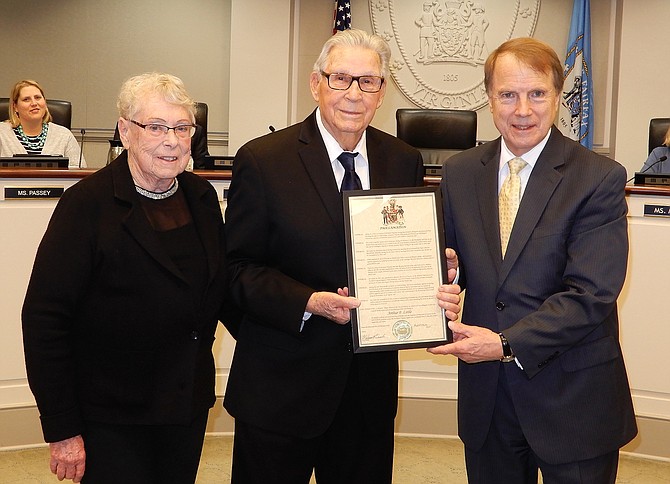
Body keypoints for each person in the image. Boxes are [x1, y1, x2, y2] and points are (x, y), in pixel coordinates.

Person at [224, 29, 457, 484]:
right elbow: (235, 271)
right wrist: (307, 301)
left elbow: (406, 249)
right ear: (316, 84)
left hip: (366, 392)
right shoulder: (264, 159)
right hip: (281, 386)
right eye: (341, 79)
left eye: (368, 81)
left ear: (382, 92)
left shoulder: (402, 159)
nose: (354, 93)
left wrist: (435, 268)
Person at [428, 37, 637, 483]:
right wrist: (447, 272)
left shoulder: (598, 177)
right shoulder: (460, 172)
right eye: (508, 95)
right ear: (489, 99)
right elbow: (457, 259)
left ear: (557, 96)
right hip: (488, 399)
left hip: (572, 398)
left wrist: (504, 344)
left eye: (537, 94)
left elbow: (591, 293)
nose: (522, 109)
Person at [22, 72, 238, 484]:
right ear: (125, 130)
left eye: (182, 127)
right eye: (156, 127)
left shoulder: (201, 197)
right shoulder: (86, 206)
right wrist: (62, 427)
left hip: (184, 407)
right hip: (111, 416)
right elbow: (45, 320)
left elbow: (220, 289)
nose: (171, 141)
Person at [0, 79, 86, 167]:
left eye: (38, 97)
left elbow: (80, 172)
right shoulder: (2, 133)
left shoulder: (64, 135)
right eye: (26, 99)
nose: (34, 103)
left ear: (44, 102)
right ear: (15, 107)